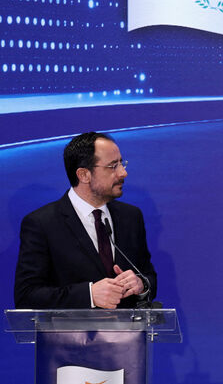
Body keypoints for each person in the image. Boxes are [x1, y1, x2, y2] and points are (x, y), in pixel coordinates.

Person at [14, 132, 157, 309]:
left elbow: (148, 275)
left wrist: (141, 284)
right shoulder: (42, 223)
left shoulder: (131, 217)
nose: (123, 173)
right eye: (113, 166)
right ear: (83, 175)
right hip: (71, 328)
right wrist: (89, 295)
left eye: (122, 163)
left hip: (127, 327)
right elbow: (27, 296)